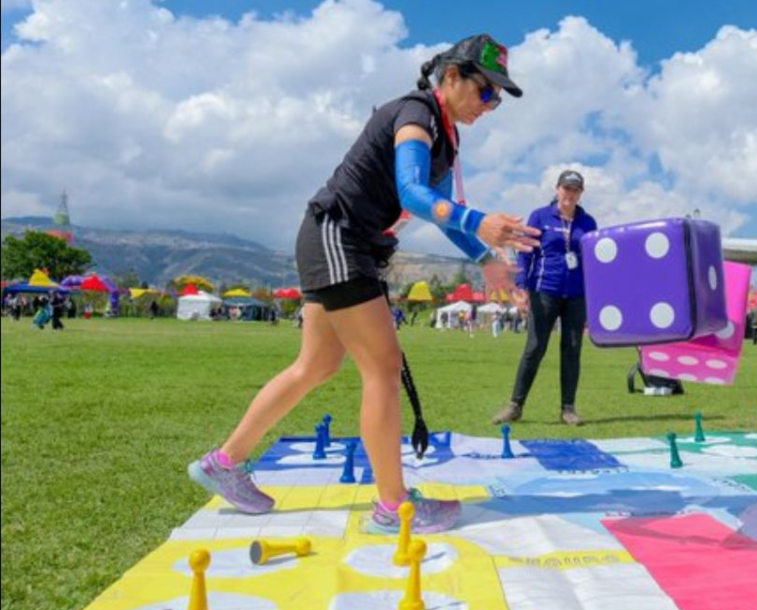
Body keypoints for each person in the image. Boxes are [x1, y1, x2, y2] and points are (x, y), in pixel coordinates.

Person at [187, 34, 538, 535]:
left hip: (336, 240)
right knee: (383, 366)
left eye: (499, 98)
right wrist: (480, 221)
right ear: (453, 77)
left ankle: (224, 462)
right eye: (487, 92)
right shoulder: (416, 114)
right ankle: (393, 507)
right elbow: (414, 195)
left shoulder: (444, 136)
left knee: (316, 365)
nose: (491, 105)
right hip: (339, 237)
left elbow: (438, 214)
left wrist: (484, 255)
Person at [492, 170, 597, 427]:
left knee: (572, 349)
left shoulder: (588, 222)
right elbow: (525, 252)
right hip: (544, 290)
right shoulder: (539, 216)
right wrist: (521, 286)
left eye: (575, 190)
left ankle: (568, 409)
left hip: (577, 294)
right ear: (557, 189)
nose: (570, 194)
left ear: (581, 193)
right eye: (566, 188)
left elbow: (595, 259)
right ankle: (515, 405)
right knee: (535, 347)